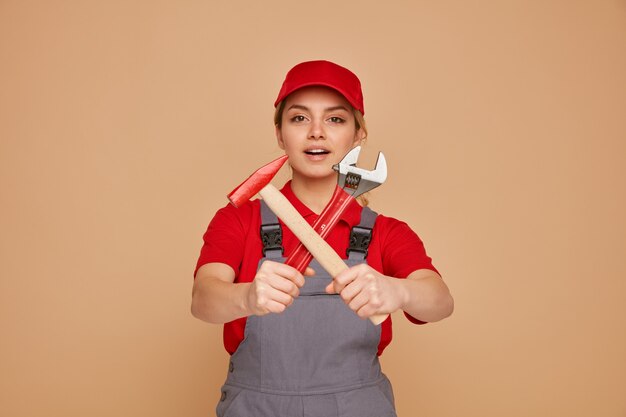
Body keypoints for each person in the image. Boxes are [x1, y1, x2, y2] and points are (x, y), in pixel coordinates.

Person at [191, 60, 454, 417]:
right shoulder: (238, 220)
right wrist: (246, 295)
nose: (317, 132)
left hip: (358, 406)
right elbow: (203, 299)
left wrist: (399, 290)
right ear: (280, 134)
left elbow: (440, 301)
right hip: (256, 406)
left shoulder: (387, 232)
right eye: (299, 118)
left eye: (335, 119)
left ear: (358, 135)